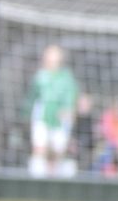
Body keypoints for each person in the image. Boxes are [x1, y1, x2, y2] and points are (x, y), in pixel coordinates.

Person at [27, 45, 78, 177]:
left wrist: (69, 111)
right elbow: (32, 97)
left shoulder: (66, 78)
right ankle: (37, 179)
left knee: (58, 151)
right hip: (42, 118)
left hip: (60, 120)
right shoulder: (40, 76)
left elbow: (71, 97)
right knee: (39, 149)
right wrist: (26, 114)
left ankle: (56, 180)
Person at [70, 95, 99, 177]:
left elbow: (95, 138)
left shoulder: (93, 119)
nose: (82, 106)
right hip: (73, 155)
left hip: (88, 153)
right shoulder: (73, 119)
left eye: (85, 104)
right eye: (81, 104)